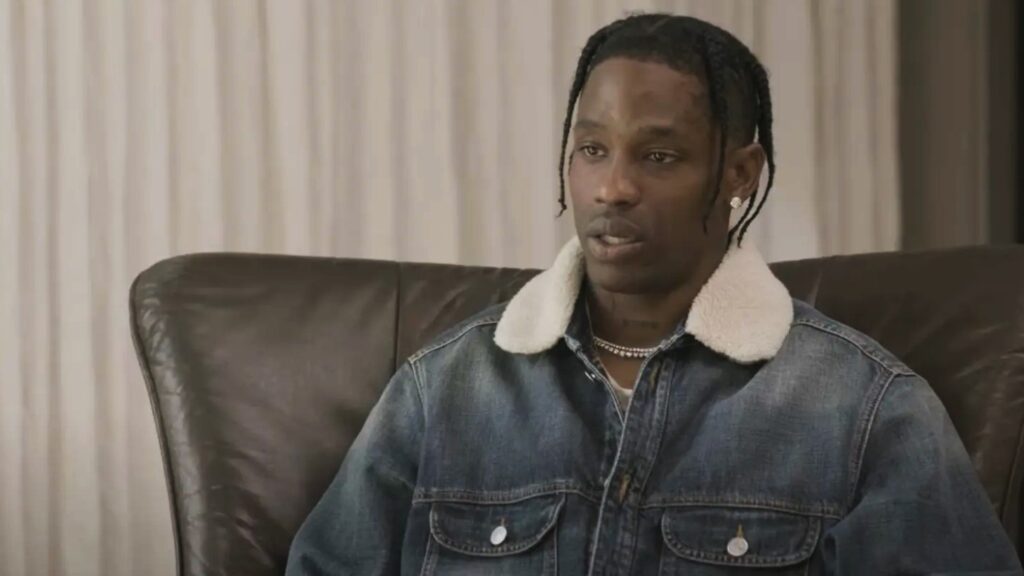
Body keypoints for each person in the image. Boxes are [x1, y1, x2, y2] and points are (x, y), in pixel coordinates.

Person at [286, 13, 1022, 575]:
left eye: (659, 156)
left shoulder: (865, 412)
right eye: (592, 149)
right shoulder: (443, 391)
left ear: (738, 174)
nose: (612, 187)